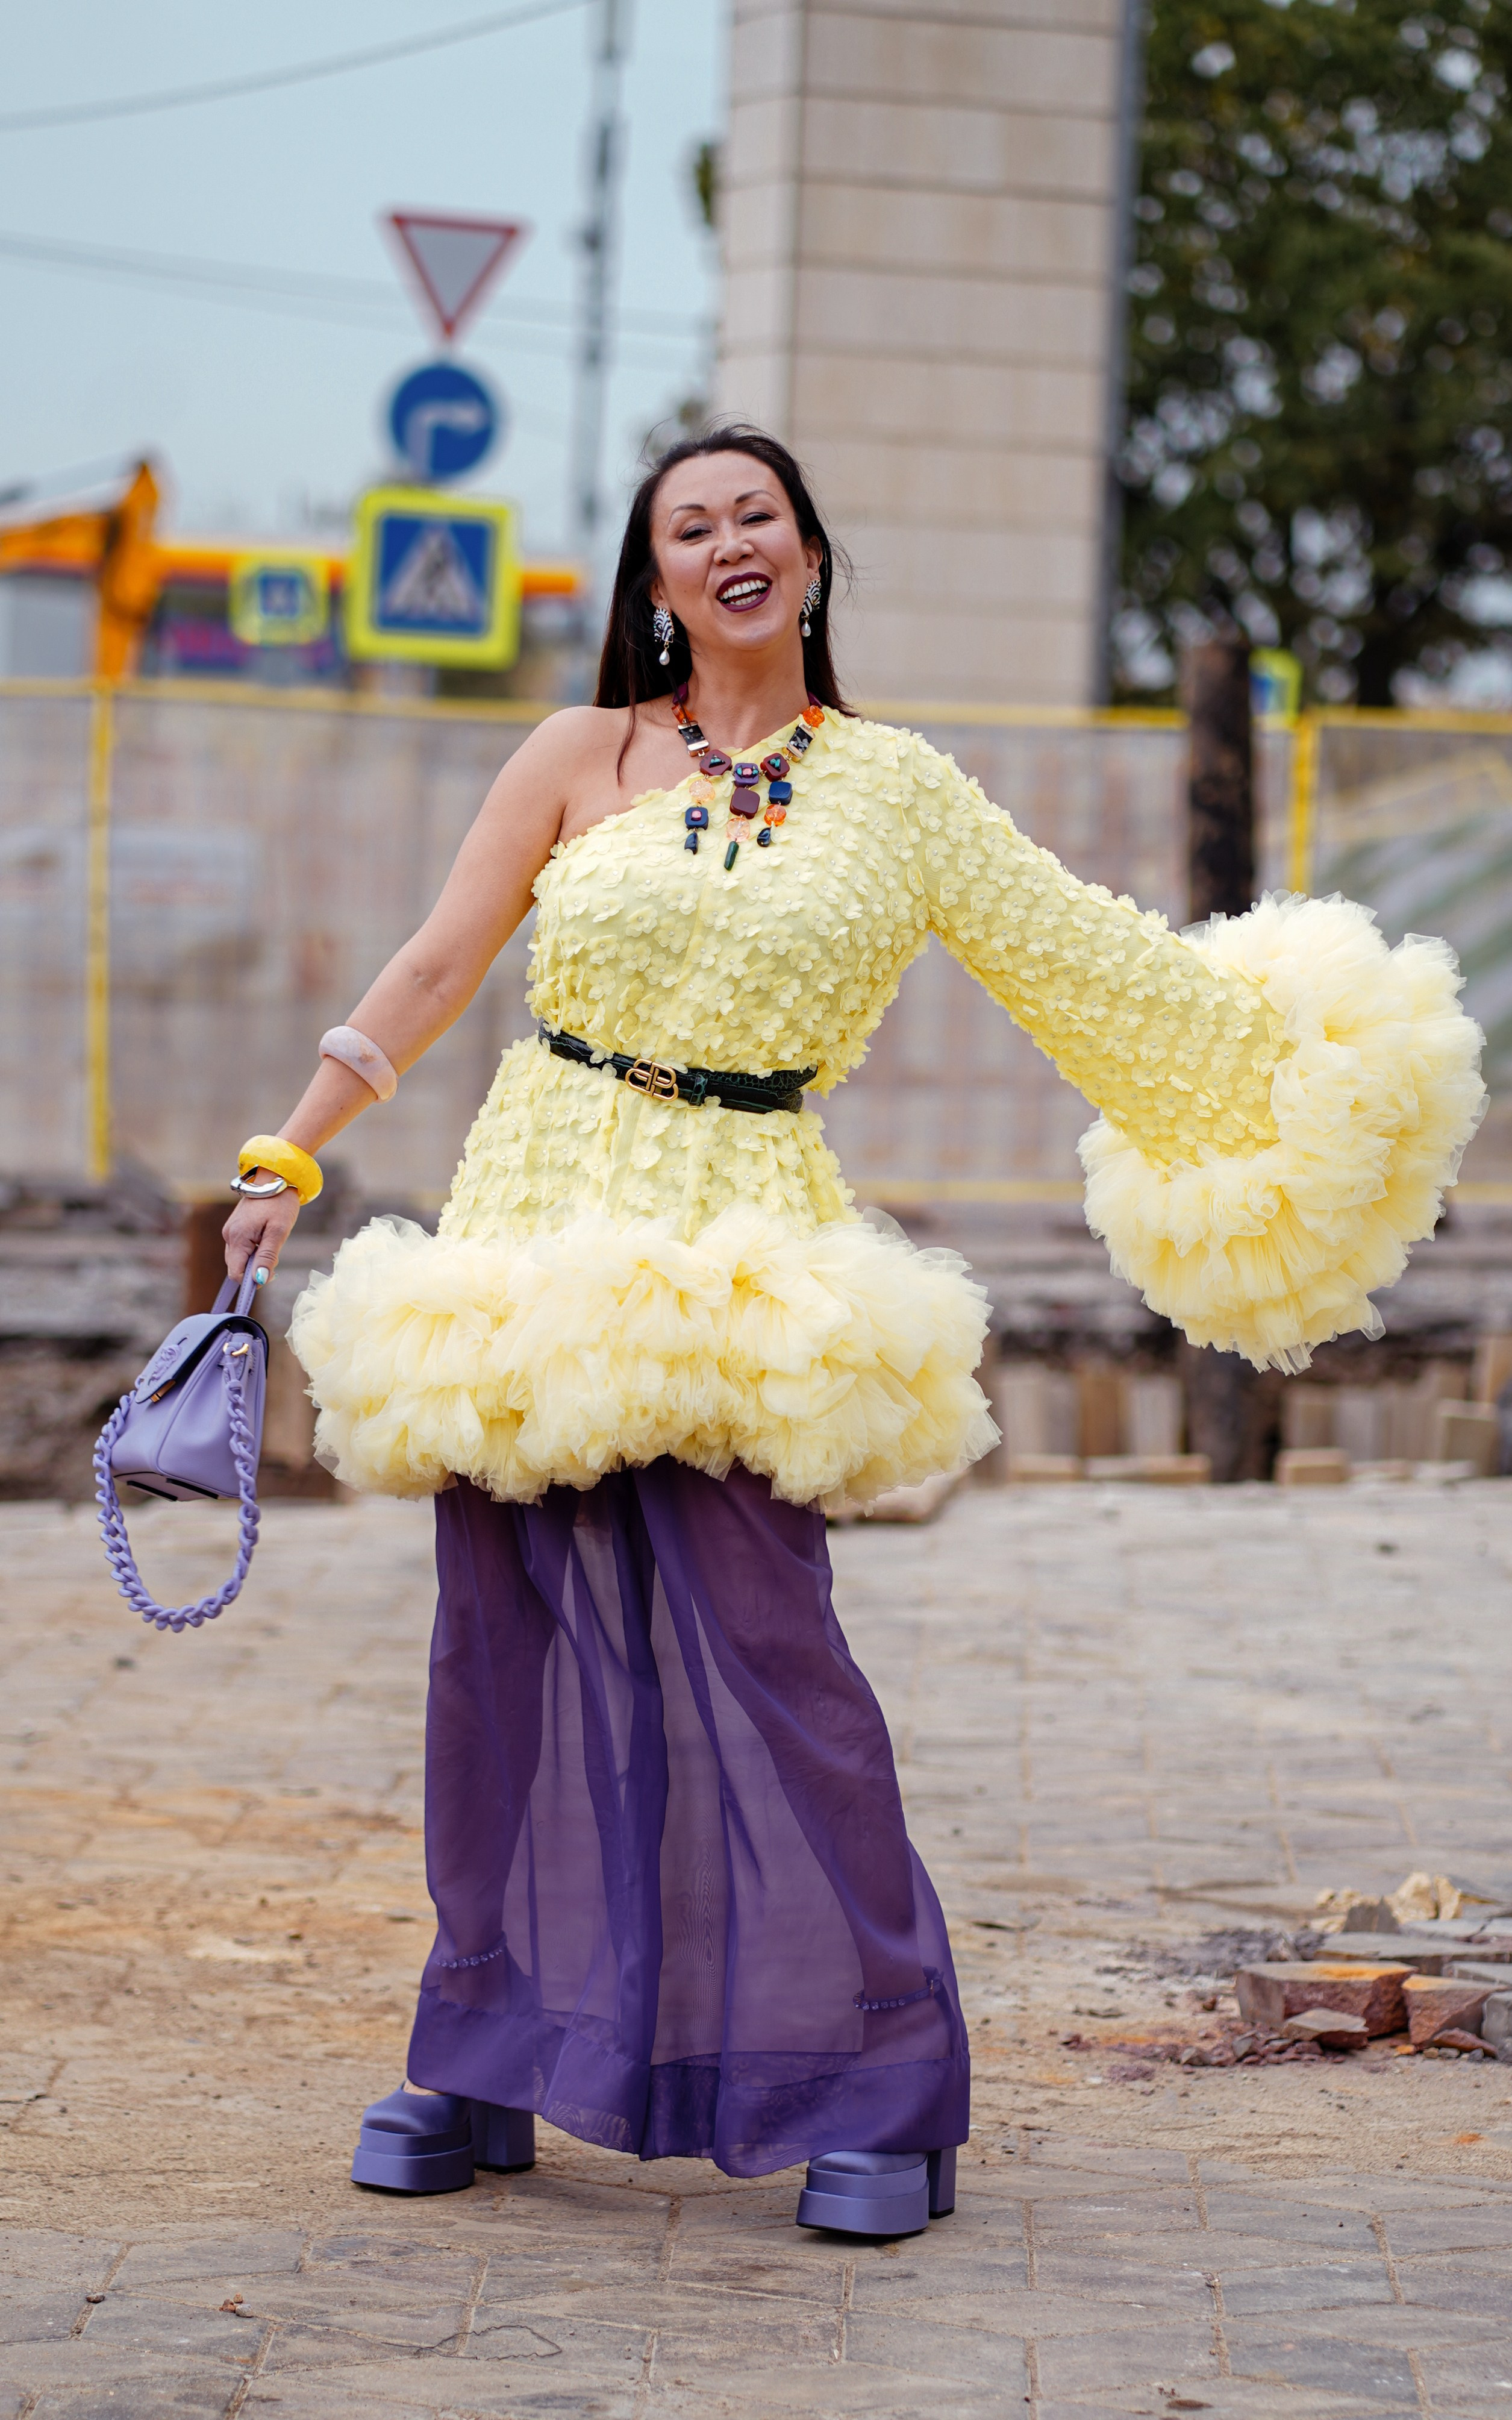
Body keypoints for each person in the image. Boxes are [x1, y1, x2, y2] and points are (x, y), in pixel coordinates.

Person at [223, 424, 1482, 2231]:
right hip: (535, 1219)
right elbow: (433, 965)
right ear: (655, 583)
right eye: (691, 526)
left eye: (760, 517)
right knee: (495, 1660)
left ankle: (885, 2091)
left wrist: (1300, 1083)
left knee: (774, 1657)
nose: (731, 543)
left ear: (809, 557)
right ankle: (483, 2053)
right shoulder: (580, 755)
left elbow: (1079, 962)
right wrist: (292, 1149)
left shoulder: (898, 789)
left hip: (747, 1242)